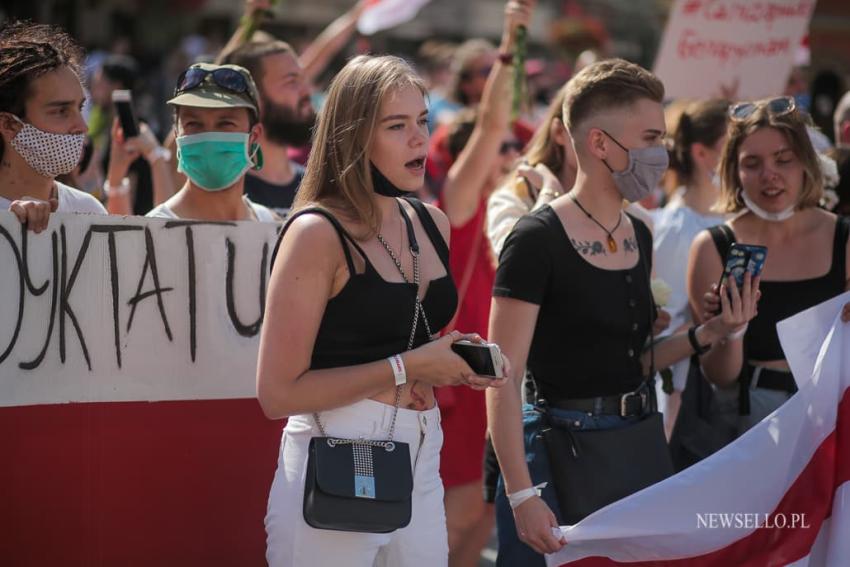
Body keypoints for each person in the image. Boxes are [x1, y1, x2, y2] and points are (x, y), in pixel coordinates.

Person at [486, 59, 759, 565]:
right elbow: (503, 376)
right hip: (560, 455)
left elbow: (635, 361)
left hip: (636, 449)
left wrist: (715, 330)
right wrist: (523, 496)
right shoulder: (535, 239)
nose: (663, 153)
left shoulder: (640, 232)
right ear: (600, 144)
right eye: (651, 136)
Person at [256, 54, 508, 567]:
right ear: (352, 138)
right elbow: (277, 393)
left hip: (419, 453)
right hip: (336, 454)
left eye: (422, 121)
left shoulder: (429, 221)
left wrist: (455, 358)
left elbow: (402, 337)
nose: (419, 138)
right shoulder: (315, 233)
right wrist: (409, 367)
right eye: (397, 126)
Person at [688, 96, 850, 435]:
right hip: (750, 420)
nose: (769, 175)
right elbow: (719, 375)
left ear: (806, 163)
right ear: (734, 171)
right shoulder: (712, 247)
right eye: (752, 163)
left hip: (832, 410)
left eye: (783, 159)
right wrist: (731, 328)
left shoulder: (844, 237)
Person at [434, 3, 532, 564]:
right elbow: (494, 121)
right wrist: (511, 41)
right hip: (461, 386)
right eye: (504, 151)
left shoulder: (516, 222)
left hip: (502, 388)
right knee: (456, 521)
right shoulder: (459, 208)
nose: (515, 155)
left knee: (482, 521)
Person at [652, 99, 729, 433]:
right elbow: (662, 325)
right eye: (733, 145)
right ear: (701, 154)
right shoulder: (676, 228)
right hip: (691, 396)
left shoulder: (735, 215)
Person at [0, 21, 106, 232]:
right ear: (9, 124)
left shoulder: (89, 212)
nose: (82, 127)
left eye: (80, 107)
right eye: (61, 111)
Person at [145, 63, 276, 222]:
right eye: (193, 124)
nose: (208, 136)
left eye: (226, 123)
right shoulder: (152, 232)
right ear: (177, 134)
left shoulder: (272, 228)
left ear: (254, 136)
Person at [221, 40, 315, 218]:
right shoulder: (224, 194)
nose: (307, 91)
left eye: (304, 80)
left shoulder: (319, 189)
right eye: (292, 81)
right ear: (253, 99)